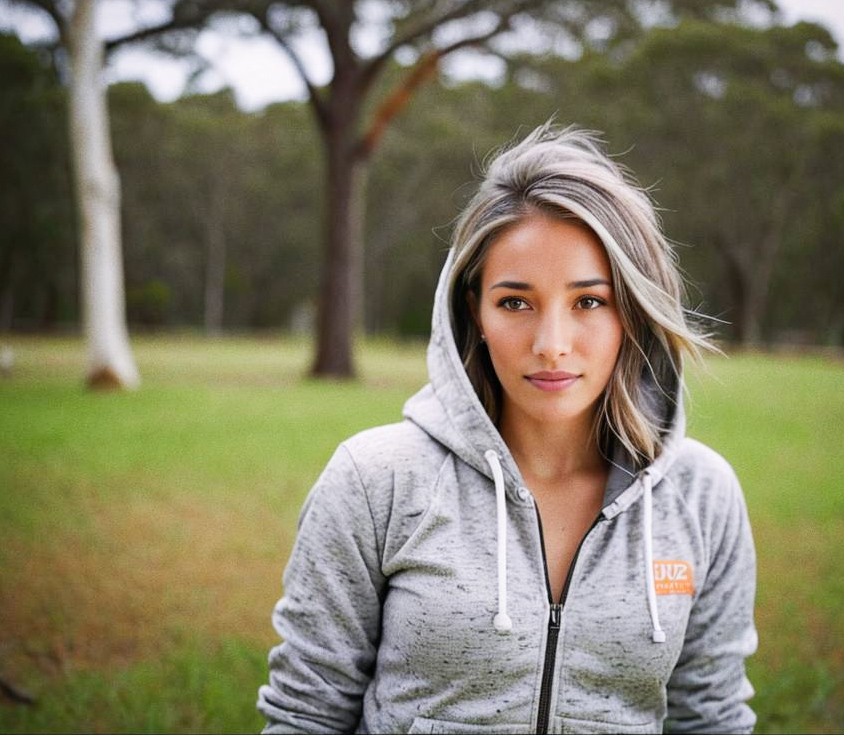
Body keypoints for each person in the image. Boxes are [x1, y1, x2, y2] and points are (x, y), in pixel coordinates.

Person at [257, 124, 757, 734]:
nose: (551, 345)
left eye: (589, 302)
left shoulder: (701, 496)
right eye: (516, 302)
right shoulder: (376, 481)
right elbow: (305, 714)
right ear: (475, 311)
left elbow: (712, 718)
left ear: (634, 310)